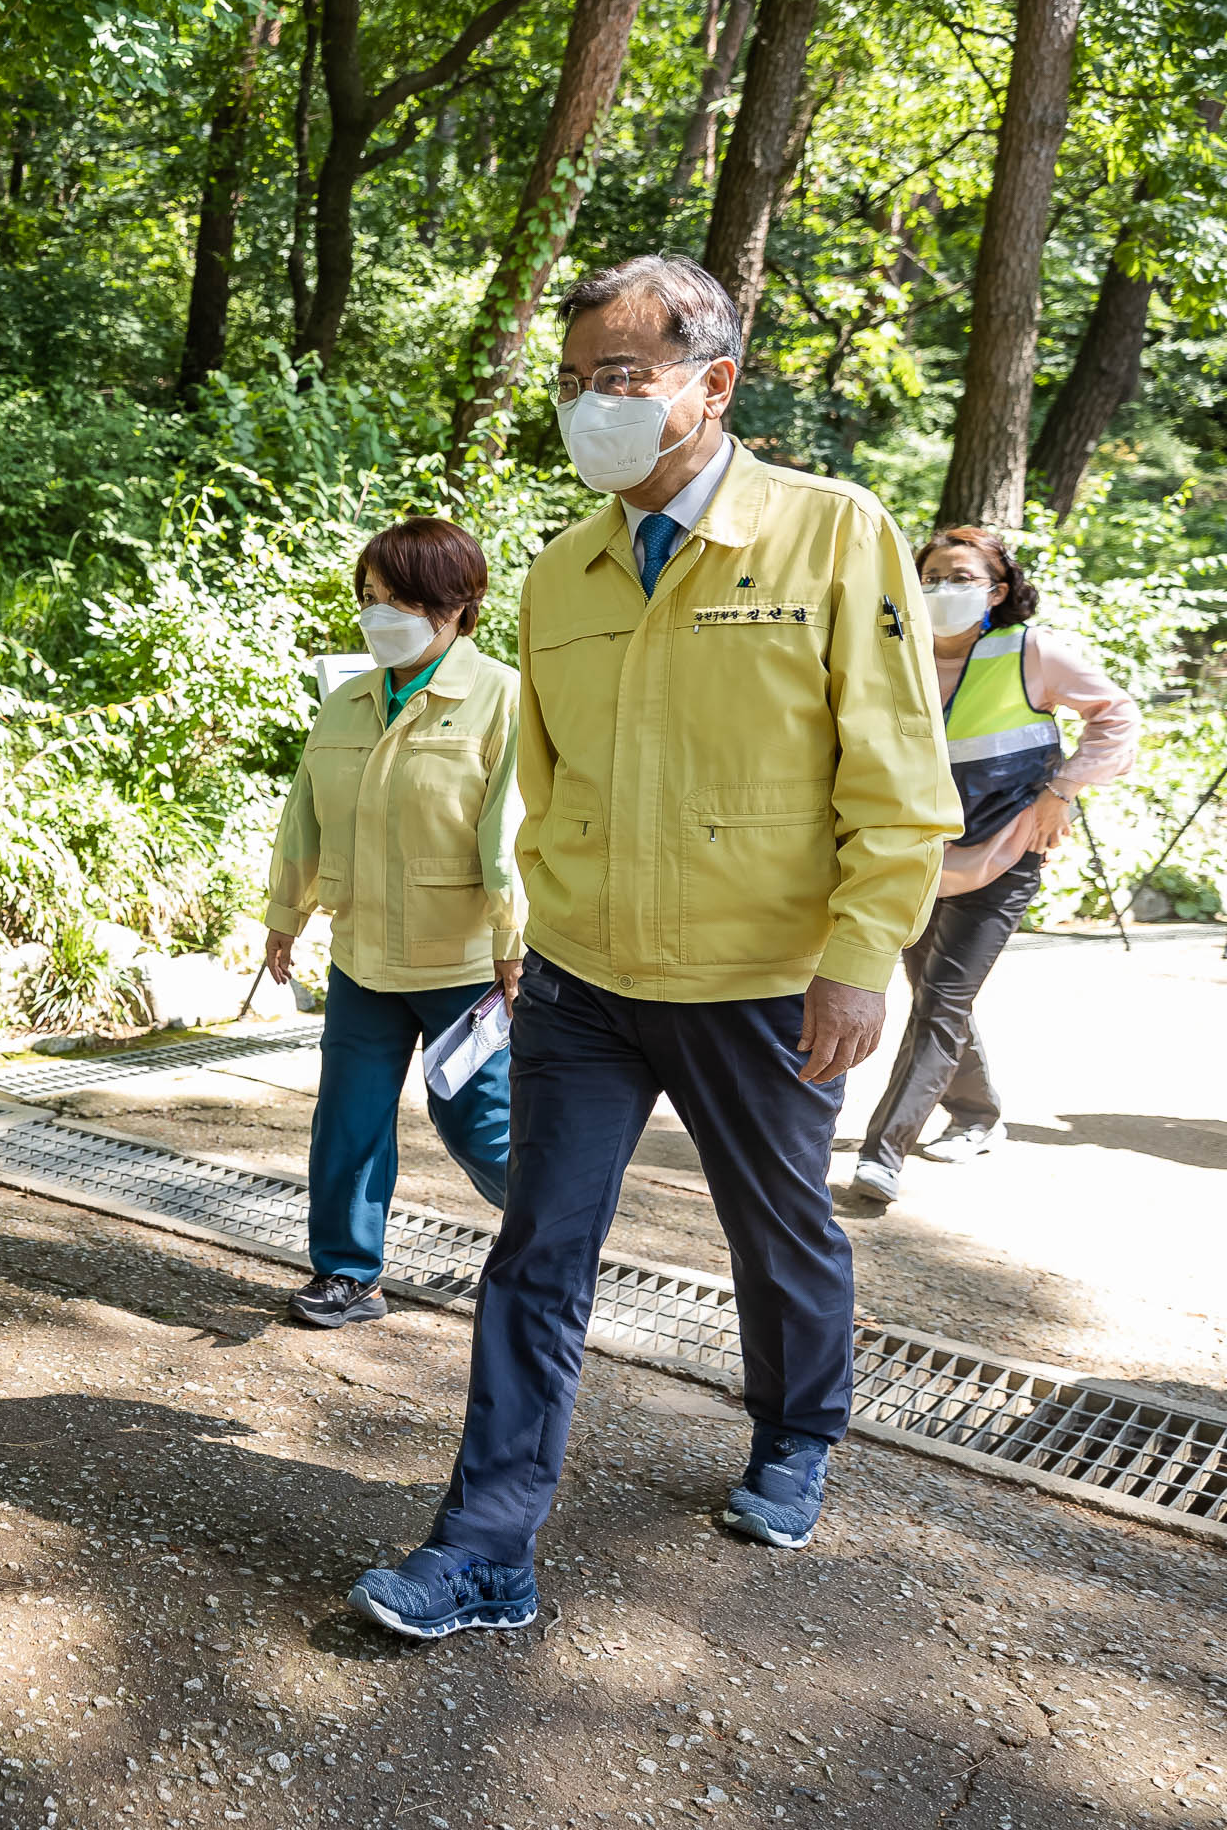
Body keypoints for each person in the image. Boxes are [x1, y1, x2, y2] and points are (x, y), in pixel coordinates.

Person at [345, 255, 960, 1640]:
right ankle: (486, 1549)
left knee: (777, 1229)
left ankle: (797, 1433)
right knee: (536, 1255)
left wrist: (863, 950)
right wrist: (532, 934)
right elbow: (547, 789)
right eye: (576, 383)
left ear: (714, 385)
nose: (592, 407)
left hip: (764, 984)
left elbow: (899, 775)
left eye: (622, 379)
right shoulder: (561, 577)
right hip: (586, 985)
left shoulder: (830, 533)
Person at [262, 518, 524, 1330]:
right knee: (348, 1119)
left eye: (402, 599)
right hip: (363, 956)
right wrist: (285, 916)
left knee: (481, 1125)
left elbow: (512, 833)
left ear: (458, 605)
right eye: (371, 598)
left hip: (464, 962)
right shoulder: (347, 701)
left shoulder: (503, 697)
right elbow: (303, 816)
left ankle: (552, 1239)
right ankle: (347, 1274)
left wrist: (517, 949)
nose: (381, 615)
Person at [850, 529, 1138, 1202]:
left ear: (997, 590)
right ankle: (978, 1115)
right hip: (914, 857)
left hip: (1005, 854)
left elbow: (1117, 716)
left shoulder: (1031, 651)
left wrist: (1060, 790)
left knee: (941, 1001)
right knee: (937, 999)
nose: (943, 590)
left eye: (961, 577)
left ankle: (883, 1152)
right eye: (931, 577)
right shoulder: (895, 654)